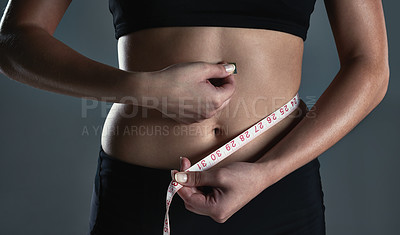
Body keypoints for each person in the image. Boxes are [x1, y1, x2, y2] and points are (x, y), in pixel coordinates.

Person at [0, 0, 389, 234]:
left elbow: (370, 66)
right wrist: (146, 90)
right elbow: (15, 39)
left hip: (276, 189)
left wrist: (268, 172)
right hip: (141, 197)